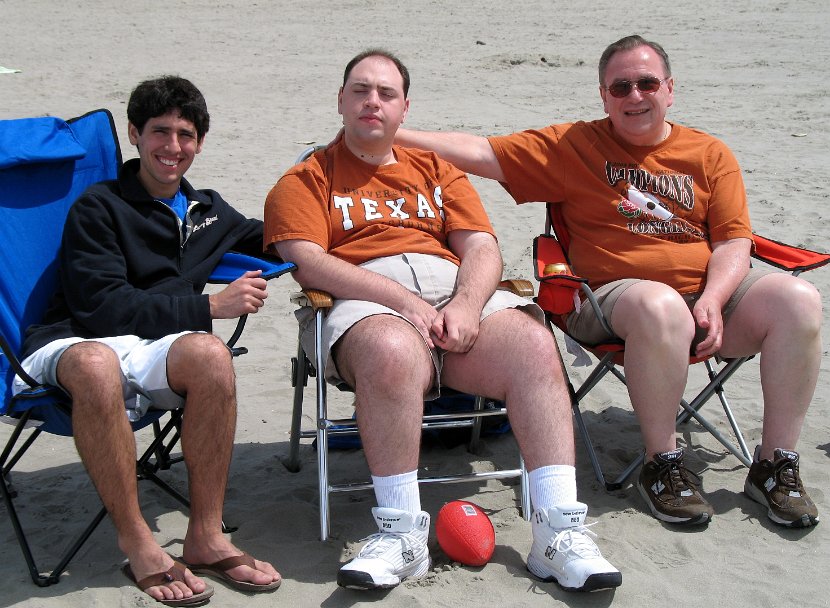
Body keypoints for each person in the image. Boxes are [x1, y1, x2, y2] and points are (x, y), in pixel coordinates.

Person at [394, 35, 822, 529]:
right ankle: (662, 463)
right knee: (659, 305)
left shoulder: (709, 153)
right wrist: (392, 133)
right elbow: (482, 152)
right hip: (607, 302)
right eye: (621, 87)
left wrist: (713, 298)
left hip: (708, 299)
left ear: (670, 89)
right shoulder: (575, 145)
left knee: (798, 299)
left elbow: (732, 243)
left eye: (646, 83)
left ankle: (775, 466)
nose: (635, 96)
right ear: (604, 95)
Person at [264, 49, 622, 593]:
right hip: (360, 294)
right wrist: (402, 303)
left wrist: (467, 304)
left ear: (404, 108)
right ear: (340, 100)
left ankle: (558, 528)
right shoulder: (307, 178)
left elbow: (481, 244)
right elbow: (308, 261)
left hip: (449, 286)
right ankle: (402, 534)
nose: (372, 102)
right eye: (360, 90)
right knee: (390, 350)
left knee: (531, 340)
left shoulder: (436, 169)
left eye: (386, 94)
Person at [13, 76, 281, 606]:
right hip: (73, 340)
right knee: (96, 364)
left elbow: (276, 235)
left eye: (186, 135)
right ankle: (137, 542)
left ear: (200, 142)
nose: (173, 147)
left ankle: (205, 536)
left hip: (151, 346)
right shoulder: (99, 206)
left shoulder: (207, 211)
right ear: (135, 134)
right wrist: (208, 306)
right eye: (160, 132)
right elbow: (101, 307)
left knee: (211, 354)